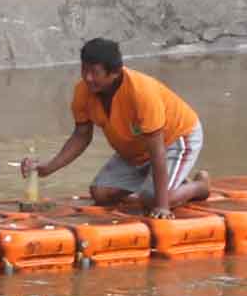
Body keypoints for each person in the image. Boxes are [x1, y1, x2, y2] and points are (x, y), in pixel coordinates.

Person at [20, 38, 210, 218]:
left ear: (115, 73)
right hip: (136, 149)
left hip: (175, 140)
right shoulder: (83, 92)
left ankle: (199, 186)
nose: (88, 78)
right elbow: (81, 136)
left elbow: (157, 149)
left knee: (153, 200)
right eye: (84, 70)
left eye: (95, 73)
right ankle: (168, 183)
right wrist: (48, 167)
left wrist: (162, 206)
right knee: (100, 193)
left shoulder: (141, 93)